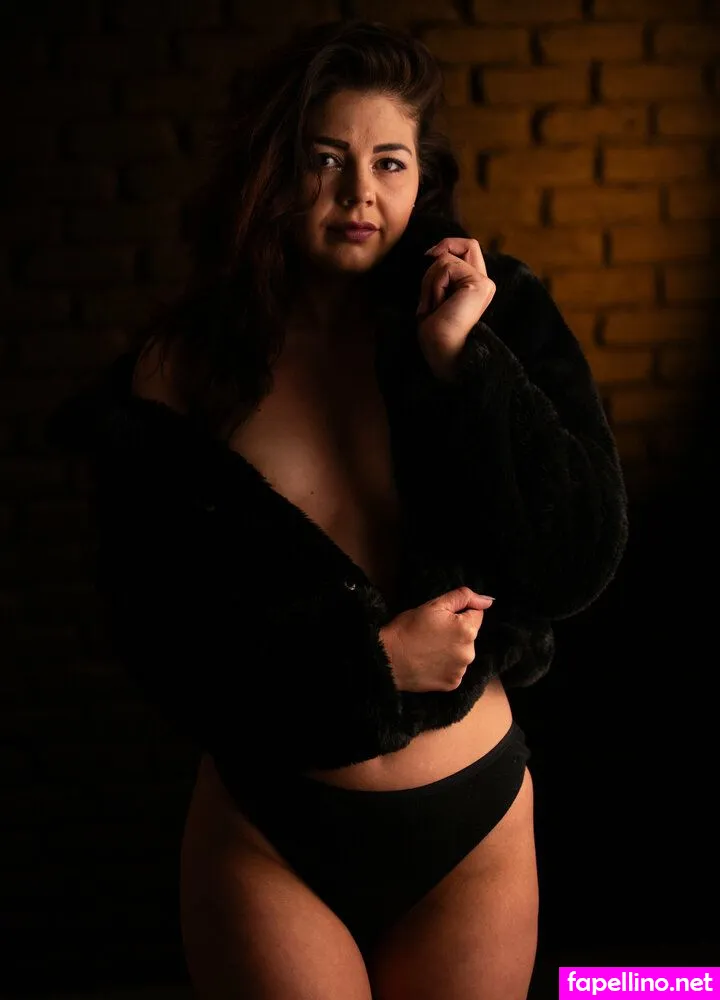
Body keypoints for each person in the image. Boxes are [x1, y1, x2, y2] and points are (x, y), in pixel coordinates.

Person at [47, 19, 629, 1000]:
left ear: (420, 175)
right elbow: (159, 639)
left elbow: (574, 559)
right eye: (325, 159)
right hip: (270, 831)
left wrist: (466, 364)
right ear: (272, 172)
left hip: (471, 824)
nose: (361, 193)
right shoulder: (183, 370)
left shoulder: (490, 314)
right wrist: (370, 669)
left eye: (389, 162)